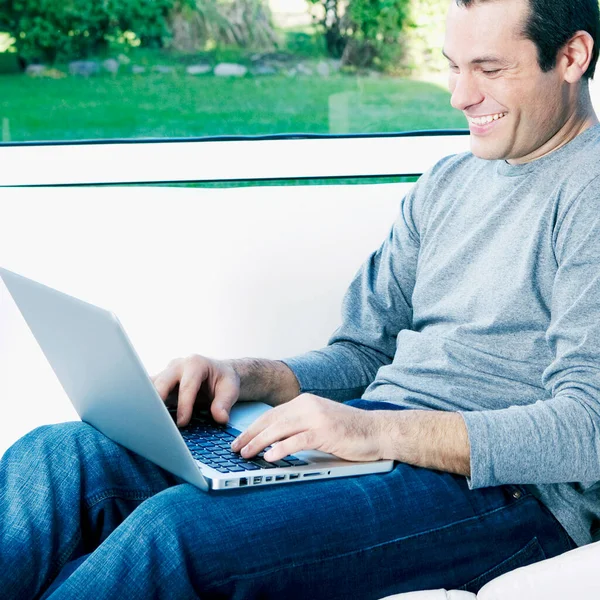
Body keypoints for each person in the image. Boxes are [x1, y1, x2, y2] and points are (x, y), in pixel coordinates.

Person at [2, 0, 600, 597]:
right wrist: (244, 375)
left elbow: (588, 429)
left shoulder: (588, 193)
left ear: (572, 56)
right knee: (57, 459)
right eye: (453, 66)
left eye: (489, 71)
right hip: (379, 442)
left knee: (173, 533)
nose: (459, 96)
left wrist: (377, 433)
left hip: (512, 494)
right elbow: (363, 355)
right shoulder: (448, 182)